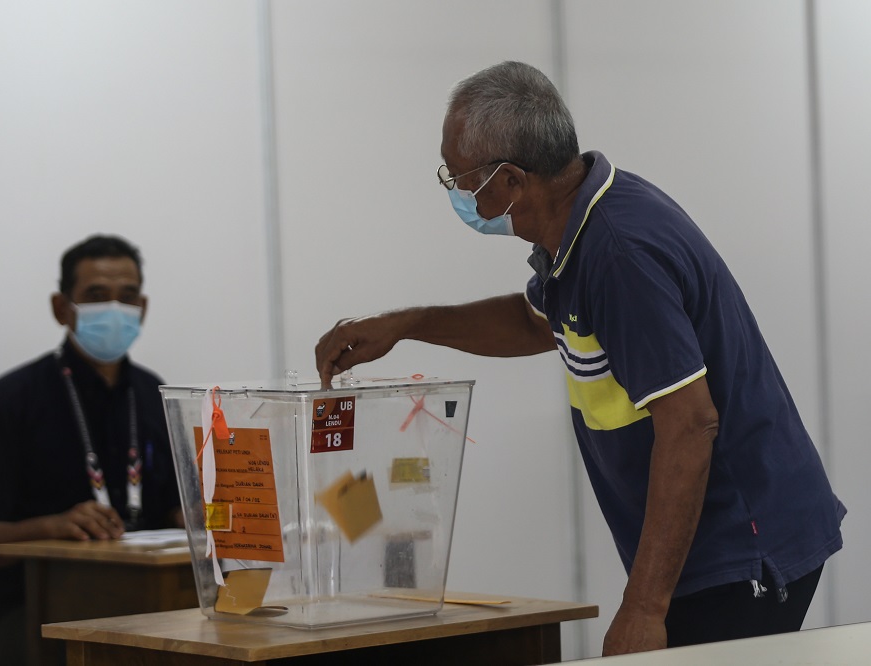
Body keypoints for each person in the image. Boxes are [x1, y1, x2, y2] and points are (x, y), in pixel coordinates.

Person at [314, 61, 845, 656]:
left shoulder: (618, 254)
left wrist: (642, 608)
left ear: (510, 181)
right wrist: (407, 325)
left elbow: (691, 425)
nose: (456, 193)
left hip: (743, 544)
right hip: (714, 543)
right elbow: (530, 322)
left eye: (459, 178)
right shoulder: (577, 227)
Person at [0, 234, 183, 666]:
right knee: (110, 655)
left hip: (144, 600)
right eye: (96, 295)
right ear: (61, 308)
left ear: (142, 309)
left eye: (127, 297)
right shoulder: (6, 402)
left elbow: (173, 510)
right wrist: (52, 526)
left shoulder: (155, 397)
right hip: (25, 607)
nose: (114, 308)